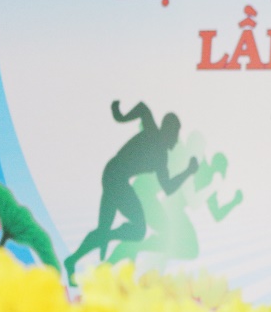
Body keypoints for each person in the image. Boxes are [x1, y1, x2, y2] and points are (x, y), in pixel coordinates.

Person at [65, 101, 199, 283]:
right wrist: (120, 116)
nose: (176, 139)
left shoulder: (161, 157)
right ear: (168, 131)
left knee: (107, 230)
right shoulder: (153, 133)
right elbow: (143, 108)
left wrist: (187, 172)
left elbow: (167, 187)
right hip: (116, 178)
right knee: (138, 230)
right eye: (176, 133)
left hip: (113, 175)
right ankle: (106, 236)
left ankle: (72, 260)